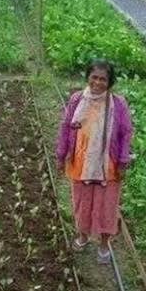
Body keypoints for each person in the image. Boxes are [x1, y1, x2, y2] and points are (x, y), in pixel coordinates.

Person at [55, 59, 133, 263]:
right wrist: (61, 155)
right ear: (88, 77)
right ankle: (82, 236)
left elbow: (126, 133)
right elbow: (65, 127)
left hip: (109, 165)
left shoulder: (118, 104)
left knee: (107, 205)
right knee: (82, 203)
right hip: (80, 163)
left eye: (103, 79)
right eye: (94, 77)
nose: (98, 83)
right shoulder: (76, 100)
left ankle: (104, 243)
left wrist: (123, 161)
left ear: (110, 82)